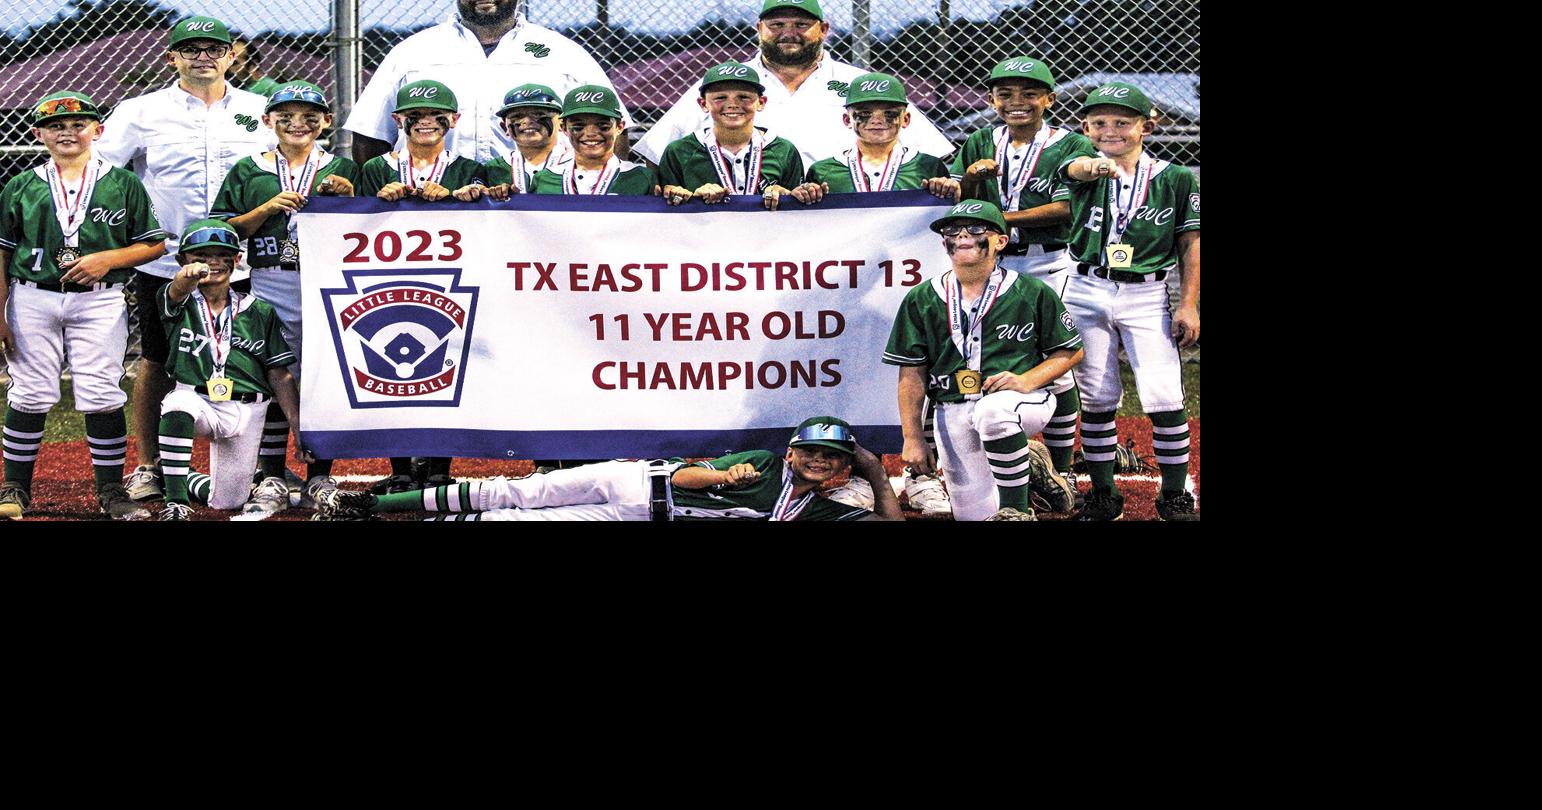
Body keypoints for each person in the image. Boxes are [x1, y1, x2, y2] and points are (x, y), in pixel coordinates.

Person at [95, 15, 275, 503]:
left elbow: (288, 168)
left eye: (213, 48)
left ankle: (255, 466)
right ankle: (150, 464)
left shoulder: (261, 110)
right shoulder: (140, 111)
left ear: (232, 54)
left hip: (244, 263)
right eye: (190, 48)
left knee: (253, 361)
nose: (203, 56)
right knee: (157, 359)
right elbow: (100, 174)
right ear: (172, 56)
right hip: (167, 262)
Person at [941, 56, 1100, 512]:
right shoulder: (977, 140)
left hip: (1047, 260)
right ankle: (1019, 453)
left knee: (1058, 358)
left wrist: (994, 219)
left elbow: (1065, 208)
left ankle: (1062, 467)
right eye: (1005, 93)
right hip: (989, 267)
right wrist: (972, 179)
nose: (1017, 102)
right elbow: (960, 201)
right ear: (991, 99)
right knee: (995, 350)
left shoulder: (1067, 144)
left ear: (1049, 99)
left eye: (1029, 93)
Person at [0, 91, 168, 521]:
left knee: (100, 391)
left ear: (99, 129)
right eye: (56, 126)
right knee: (31, 391)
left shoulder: (122, 182)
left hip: (100, 300)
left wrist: (108, 259)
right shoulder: (21, 186)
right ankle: (15, 487)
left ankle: (111, 490)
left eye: (79, 124)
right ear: (37, 133)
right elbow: (2, 254)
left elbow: (154, 243)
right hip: (31, 295)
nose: (68, 132)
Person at [209, 81, 360, 513]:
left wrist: (348, 200)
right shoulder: (249, 168)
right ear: (267, 120)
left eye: (310, 115)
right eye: (286, 115)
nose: (298, 123)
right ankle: (272, 475)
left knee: (324, 377)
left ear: (326, 122)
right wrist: (267, 208)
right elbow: (224, 230)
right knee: (272, 372)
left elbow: (370, 226)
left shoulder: (343, 166)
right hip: (270, 276)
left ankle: (319, 478)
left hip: (329, 278)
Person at [884, 201, 1083, 522]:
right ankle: (1025, 463)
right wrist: (912, 436)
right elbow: (911, 372)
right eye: (953, 230)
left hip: (1023, 399)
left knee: (994, 412)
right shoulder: (922, 297)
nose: (963, 235)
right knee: (974, 515)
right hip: (953, 407)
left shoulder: (1030, 291)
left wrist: (1028, 380)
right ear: (943, 242)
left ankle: (1018, 509)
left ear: (1001, 241)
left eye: (976, 228)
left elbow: (1071, 351)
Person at [1057, 83, 1200, 521]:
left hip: (1146, 292)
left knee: (1162, 394)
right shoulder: (1082, 167)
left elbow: (1190, 242)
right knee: (1098, 396)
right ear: (1086, 127)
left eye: (1123, 122)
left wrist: (1189, 303)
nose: (1111, 130)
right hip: (1086, 288)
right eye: (1099, 122)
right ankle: (1103, 494)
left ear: (1147, 126)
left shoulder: (1175, 177)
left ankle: (1174, 495)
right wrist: (1095, 168)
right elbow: (1075, 169)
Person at [314, 416, 903, 521]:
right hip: (634, 480)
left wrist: (878, 479)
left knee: (509, 523)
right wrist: (724, 479)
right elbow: (682, 478)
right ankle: (367, 505)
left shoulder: (827, 508)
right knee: (511, 493)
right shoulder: (761, 462)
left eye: (832, 457)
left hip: (638, 517)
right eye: (812, 451)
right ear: (793, 450)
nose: (819, 461)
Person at [635, 0, 954, 171]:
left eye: (802, 24)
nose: (790, 32)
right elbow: (656, 153)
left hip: (847, 223)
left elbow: (932, 153)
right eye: (777, 25)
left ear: (824, 29)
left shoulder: (860, 83)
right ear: (759, 28)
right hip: (745, 223)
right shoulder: (724, 83)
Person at [358, 79, 486, 494]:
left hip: (451, 277)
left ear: (454, 121)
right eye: (415, 116)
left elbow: (493, 207)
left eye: (437, 117)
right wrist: (380, 199)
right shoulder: (377, 168)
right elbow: (351, 224)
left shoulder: (468, 167)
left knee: (444, 362)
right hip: (388, 276)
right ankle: (399, 464)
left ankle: (438, 465)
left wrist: (457, 196)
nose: (426, 123)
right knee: (392, 362)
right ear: (398, 120)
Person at [344, 0, 628, 167]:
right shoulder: (412, 52)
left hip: (535, 201)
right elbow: (370, 136)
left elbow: (615, 130)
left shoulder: (562, 52)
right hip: (432, 202)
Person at [152, 220, 306, 521]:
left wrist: (298, 425)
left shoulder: (259, 310)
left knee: (227, 501)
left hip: (245, 409)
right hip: (198, 399)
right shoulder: (179, 302)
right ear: (182, 260)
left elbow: (279, 374)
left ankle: (173, 474)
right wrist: (189, 275)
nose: (212, 262)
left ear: (237, 260)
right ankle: (175, 501)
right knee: (176, 406)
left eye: (222, 256)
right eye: (201, 256)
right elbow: (177, 288)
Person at [657, 61, 820, 210]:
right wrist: (693, 197)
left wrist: (785, 194)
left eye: (744, 97)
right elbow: (669, 204)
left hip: (768, 238)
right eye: (720, 98)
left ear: (761, 102)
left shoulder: (783, 150)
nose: (733, 104)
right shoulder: (680, 151)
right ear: (703, 104)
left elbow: (796, 211)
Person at [801, 72, 958, 200]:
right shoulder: (823, 170)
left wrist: (947, 187)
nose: (876, 121)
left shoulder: (928, 166)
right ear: (847, 120)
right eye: (864, 114)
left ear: (906, 119)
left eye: (889, 113)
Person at [531, 86, 657, 195]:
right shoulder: (544, 179)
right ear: (563, 128)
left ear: (619, 127)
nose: (590, 134)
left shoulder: (641, 178)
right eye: (578, 127)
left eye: (603, 126)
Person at [476, 83, 572, 197]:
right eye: (517, 116)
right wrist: (474, 192)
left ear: (561, 122)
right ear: (504, 127)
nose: (527, 121)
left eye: (538, 114)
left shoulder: (578, 164)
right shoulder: (493, 169)